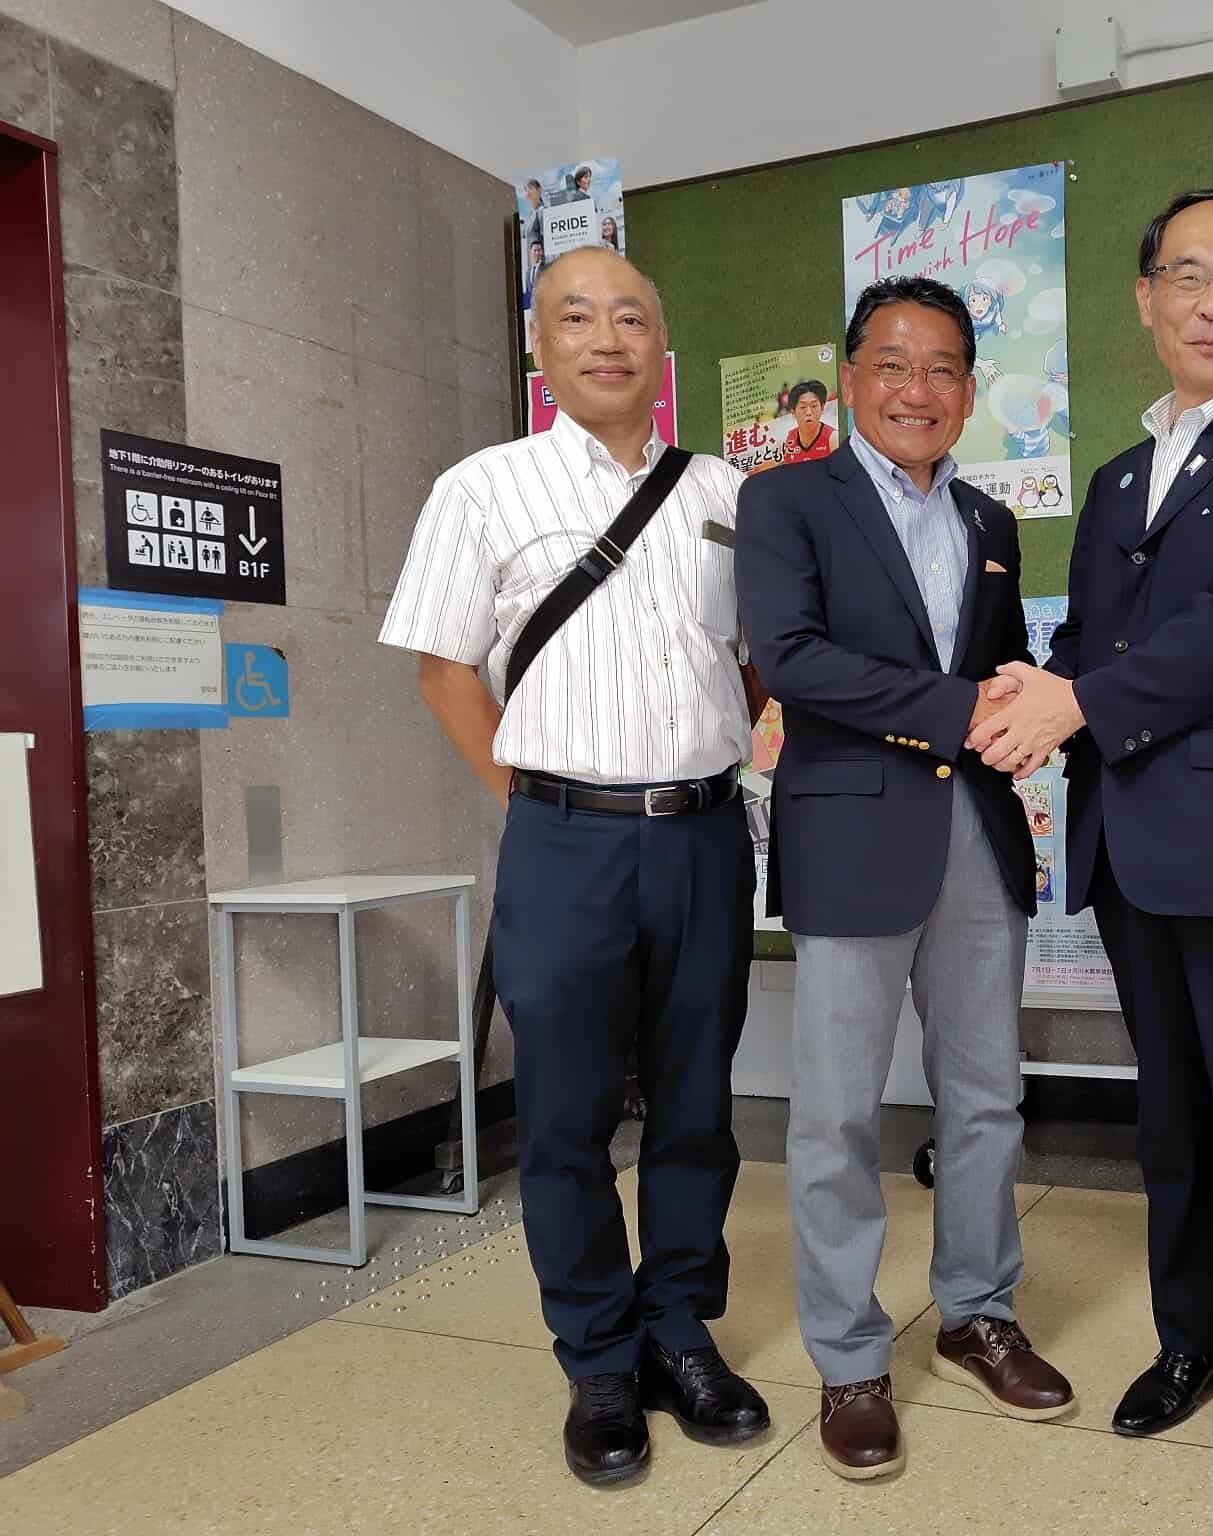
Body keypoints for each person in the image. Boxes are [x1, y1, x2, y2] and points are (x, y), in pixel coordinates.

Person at [967, 188, 1213, 1497]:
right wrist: (1032, 690)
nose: (1210, 301)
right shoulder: (1117, 478)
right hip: (1131, 840)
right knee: (1175, 1122)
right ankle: (1196, 1336)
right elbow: (1094, 641)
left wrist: (1075, 701)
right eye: (1186, 275)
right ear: (1144, 299)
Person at [379, 246, 773, 1489]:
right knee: (563, 1110)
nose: (607, 338)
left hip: (703, 833)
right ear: (540, 345)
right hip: (562, 840)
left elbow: (754, 659)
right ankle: (598, 1357)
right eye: (577, 317)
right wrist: (533, 802)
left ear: (661, 345)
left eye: (631, 318)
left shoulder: (724, 492)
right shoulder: (482, 487)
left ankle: (681, 1332)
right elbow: (443, 668)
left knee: (698, 1099)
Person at [736, 275, 1074, 1482]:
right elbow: (791, 659)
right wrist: (960, 709)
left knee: (984, 1097)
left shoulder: (989, 520)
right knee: (835, 1112)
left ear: (969, 393)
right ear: (851, 379)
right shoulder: (785, 501)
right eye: (891, 363)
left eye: (941, 369)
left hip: (976, 832)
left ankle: (979, 1311)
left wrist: (1031, 706)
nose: (915, 388)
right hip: (849, 838)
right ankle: (847, 1356)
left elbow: (1003, 662)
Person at [781, 379, 835, 464]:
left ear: (822, 408)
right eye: (803, 407)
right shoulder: (787, 441)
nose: (809, 412)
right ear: (793, 412)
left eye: (814, 406)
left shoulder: (833, 439)